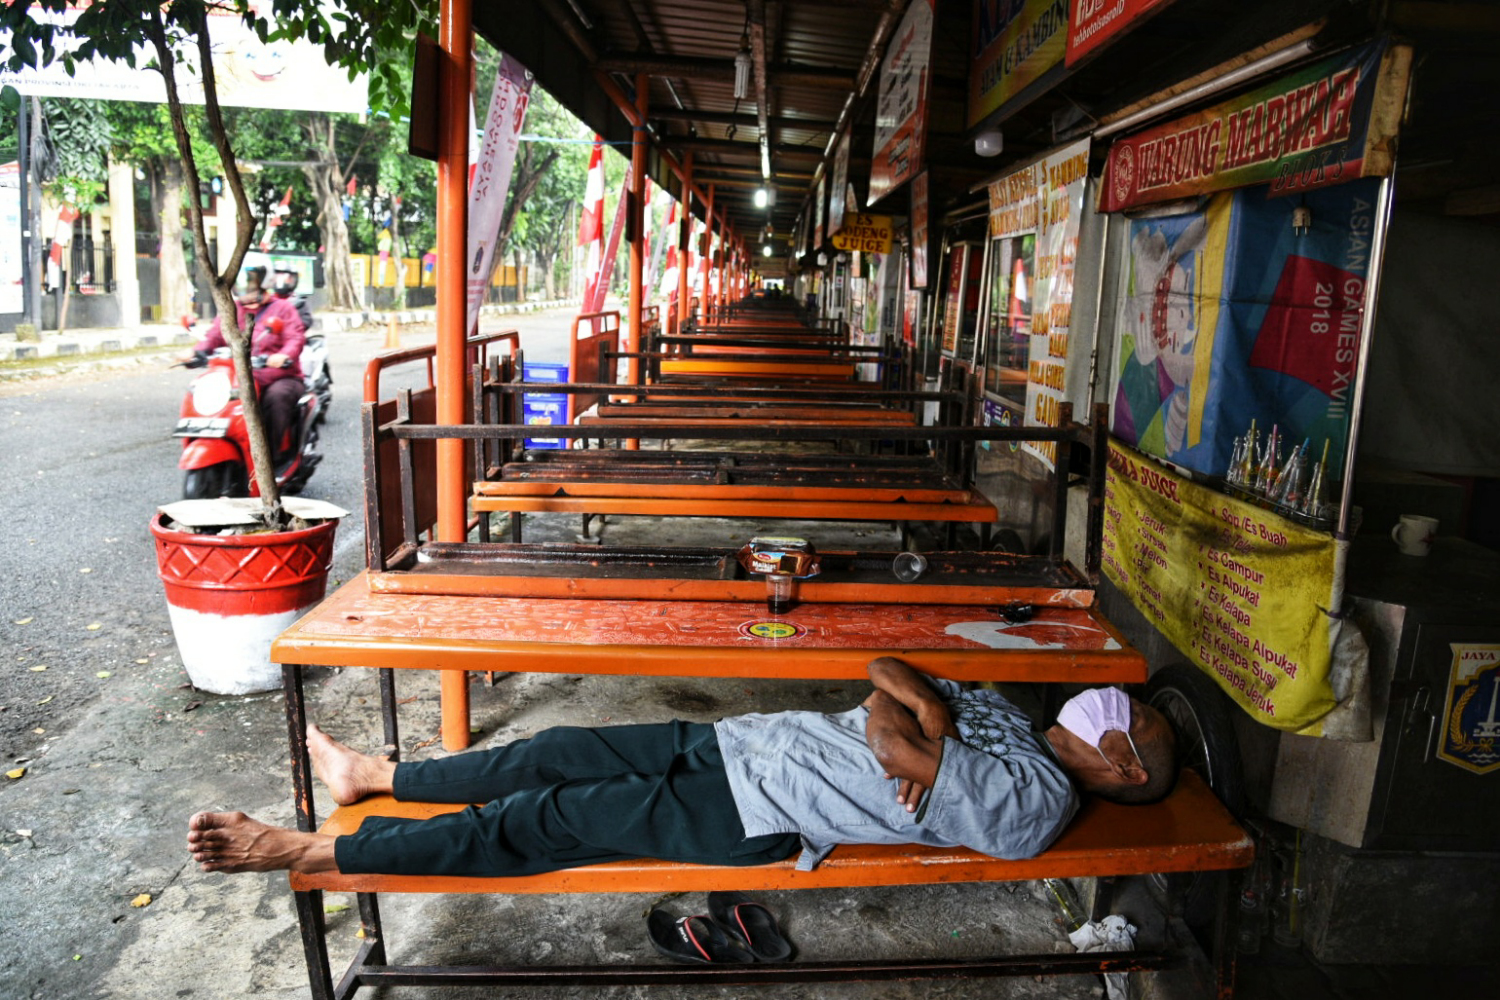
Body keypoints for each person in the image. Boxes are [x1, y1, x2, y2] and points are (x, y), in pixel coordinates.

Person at [187, 657, 1177, 878]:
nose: (1099, 706)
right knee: (550, 750)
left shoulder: (1033, 798)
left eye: (1115, 718)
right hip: (742, 744)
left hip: (757, 809)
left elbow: (882, 725)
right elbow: (885, 679)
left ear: (1122, 763)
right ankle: (377, 772)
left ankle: (310, 848)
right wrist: (924, 714)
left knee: (546, 818)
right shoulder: (1017, 720)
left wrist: (911, 721)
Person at [181, 267, 306, 466]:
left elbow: (295, 338)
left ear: (264, 283)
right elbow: (214, 335)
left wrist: (283, 355)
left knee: (277, 398)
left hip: (278, 376)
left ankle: (269, 460)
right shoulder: (232, 309)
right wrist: (197, 351)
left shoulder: (283, 308)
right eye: (241, 283)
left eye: (250, 282)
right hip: (238, 375)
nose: (244, 287)